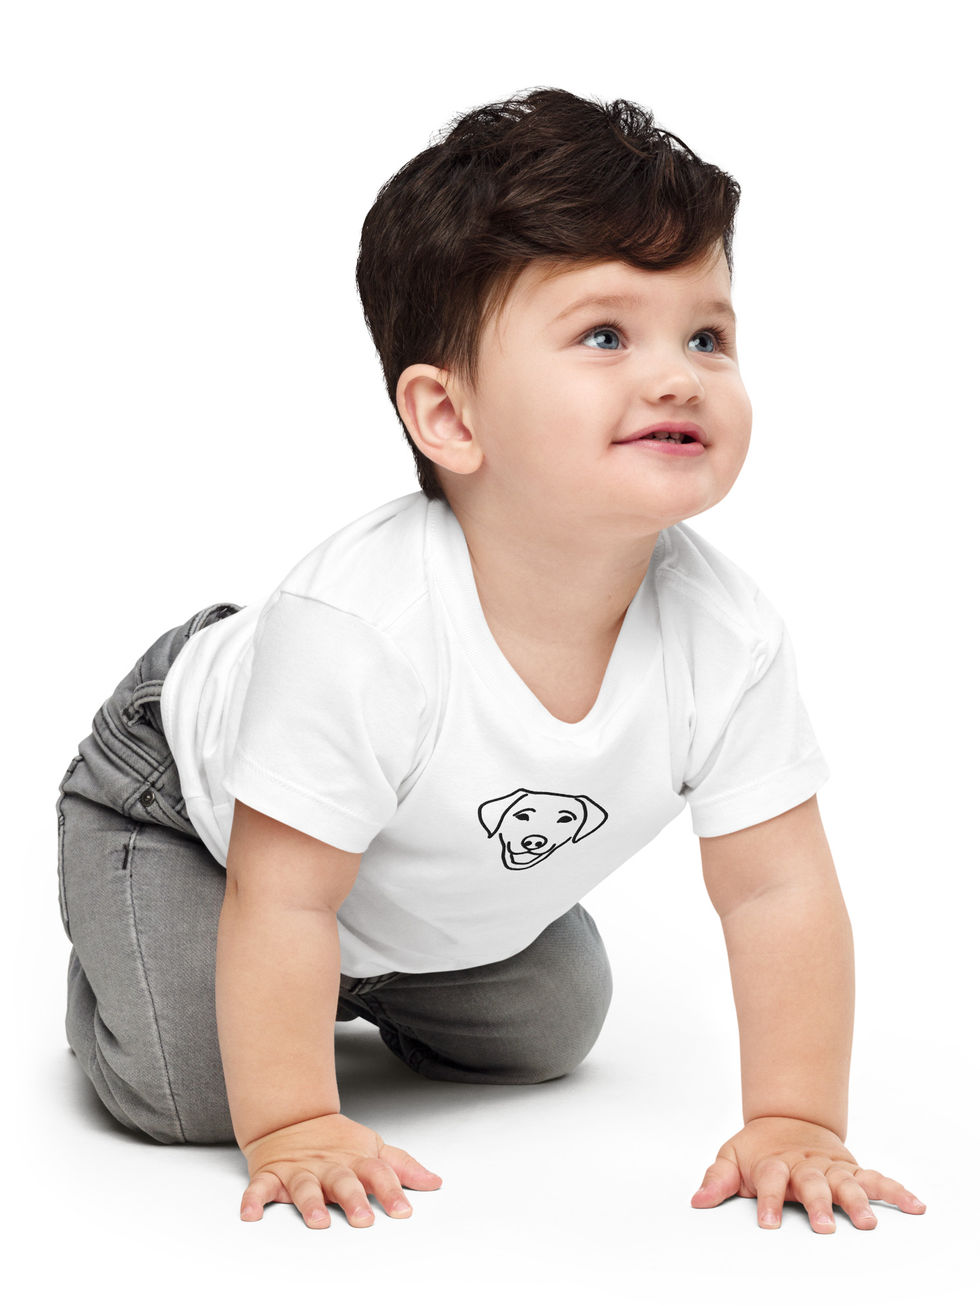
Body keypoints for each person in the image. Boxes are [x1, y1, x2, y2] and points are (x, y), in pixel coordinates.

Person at [55, 87, 926, 1235]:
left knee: (550, 1026)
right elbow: (285, 891)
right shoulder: (360, 628)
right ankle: (138, 934)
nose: (677, 375)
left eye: (705, 335)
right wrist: (297, 1122)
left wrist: (795, 1119)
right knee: (199, 1090)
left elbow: (777, 887)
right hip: (190, 806)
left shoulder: (729, 635)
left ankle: (332, 976)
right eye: (604, 335)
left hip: (378, 864)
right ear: (449, 417)